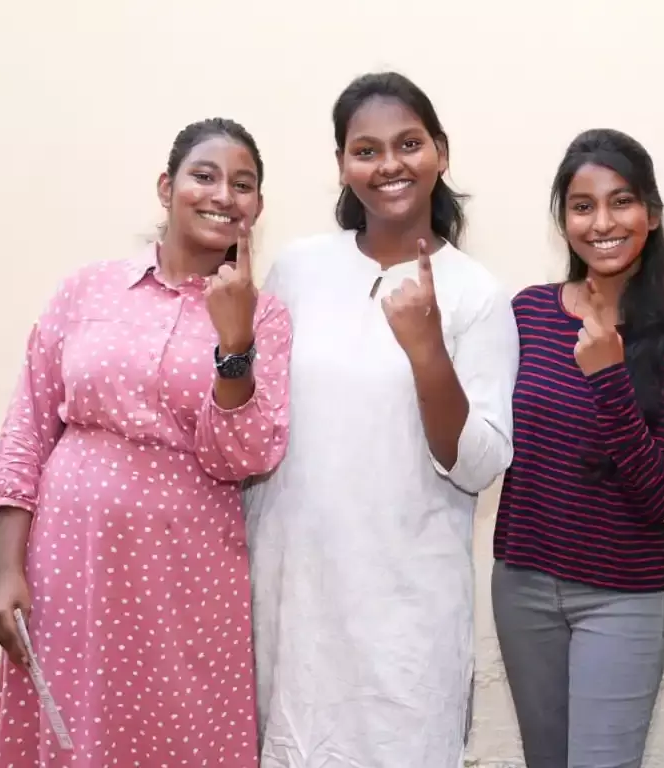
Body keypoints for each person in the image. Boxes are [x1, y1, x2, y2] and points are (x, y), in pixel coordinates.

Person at [0, 117, 292, 768]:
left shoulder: (264, 315)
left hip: (189, 573)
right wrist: (6, 568)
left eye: (243, 185)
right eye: (203, 176)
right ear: (166, 186)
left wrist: (233, 346)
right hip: (70, 561)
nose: (223, 195)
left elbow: (243, 456)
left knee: (180, 732)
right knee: (70, 722)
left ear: (258, 208)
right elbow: (28, 425)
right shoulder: (87, 289)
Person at [242, 72, 519, 768]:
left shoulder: (475, 294)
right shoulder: (299, 270)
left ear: (441, 153)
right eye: (366, 150)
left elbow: (481, 464)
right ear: (342, 165)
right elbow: (258, 422)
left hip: (405, 608)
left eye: (408, 143)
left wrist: (428, 353)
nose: (389, 164)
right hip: (296, 594)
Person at [491, 128, 664, 768]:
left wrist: (610, 377)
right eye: (582, 206)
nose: (603, 222)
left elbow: (661, 499)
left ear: (652, 213)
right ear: (564, 222)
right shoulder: (528, 314)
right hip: (523, 583)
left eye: (621, 202)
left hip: (623, 596)